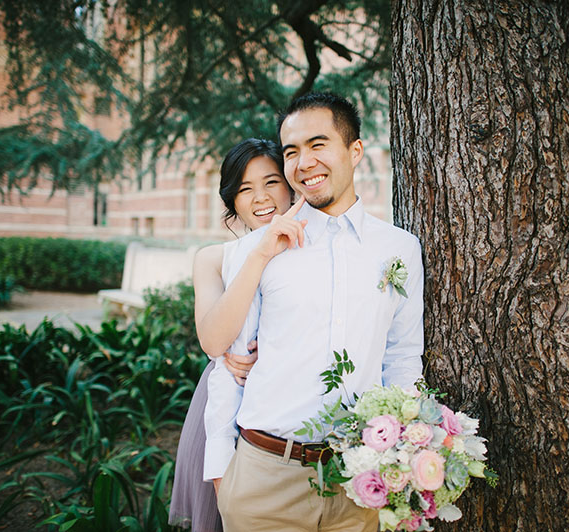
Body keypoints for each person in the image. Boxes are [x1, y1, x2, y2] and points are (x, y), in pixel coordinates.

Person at [204, 92, 425, 532]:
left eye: (318, 144)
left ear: (354, 150)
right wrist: (221, 470)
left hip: (359, 480)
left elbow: (402, 357)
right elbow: (224, 360)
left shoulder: (400, 248)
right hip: (265, 479)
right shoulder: (259, 247)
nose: (304, 162)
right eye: (291, 151)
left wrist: (404, 455)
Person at [168, 138, 307, 531]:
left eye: (272, 182)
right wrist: (260, 253)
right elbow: (214, 341)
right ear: (232, 200)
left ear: (291, 185)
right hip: (224, 401)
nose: (261, 198)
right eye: (245, 189)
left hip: (292, 412)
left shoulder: (312, 249)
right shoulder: (213, 258)